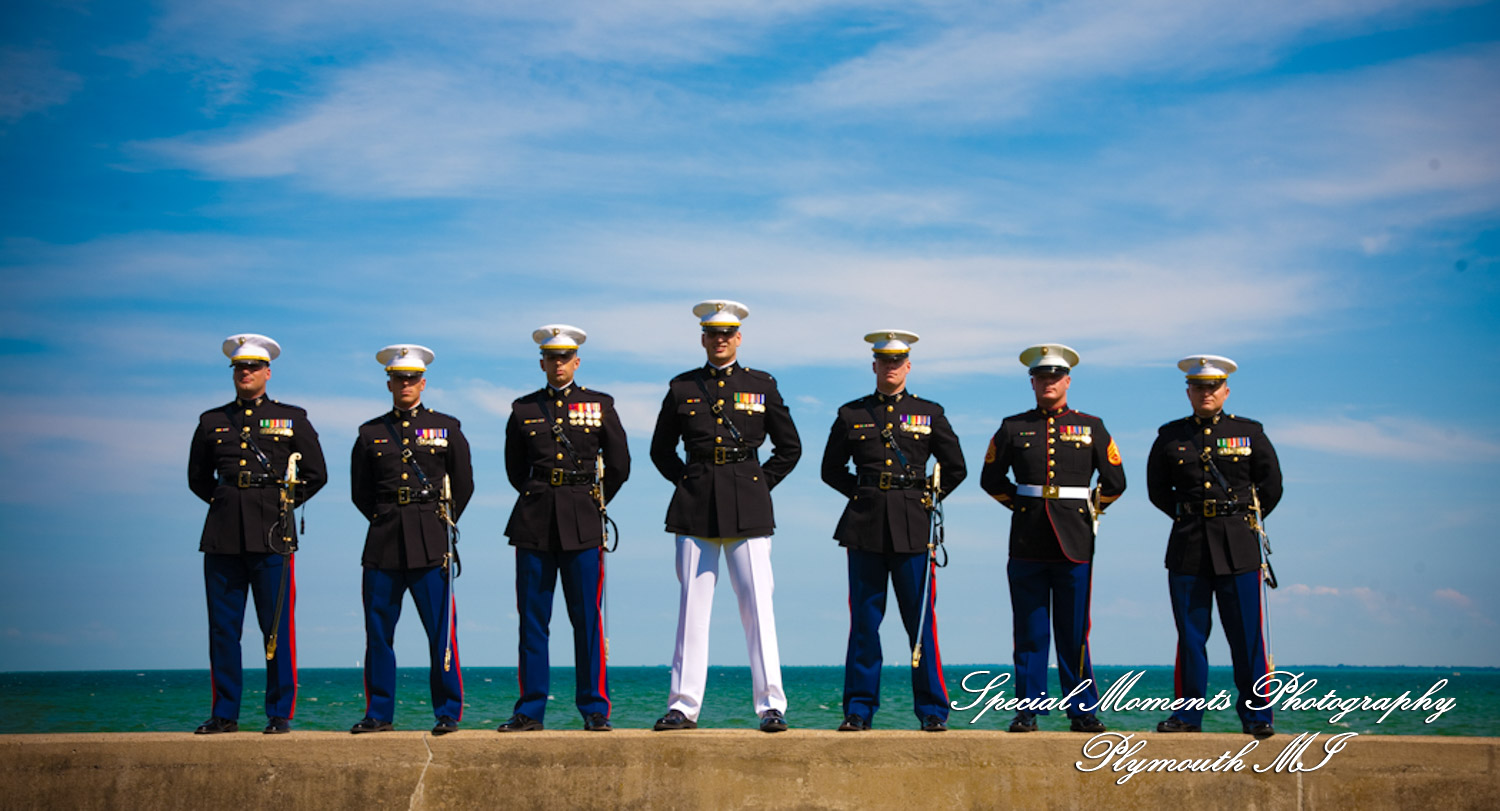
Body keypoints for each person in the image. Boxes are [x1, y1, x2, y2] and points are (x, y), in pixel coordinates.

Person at [649, 299, 801, 733]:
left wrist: (758, 484)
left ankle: (771, 705)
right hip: (695, 504)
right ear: (703, 339)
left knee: (758, 607)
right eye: (713, 334)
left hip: (748, 504)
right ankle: (683, 706)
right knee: (692, 610)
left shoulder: (762, 385)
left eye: (727, 334)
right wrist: (688, 481)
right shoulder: (682, 387)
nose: (720, 340)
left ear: (739, 338)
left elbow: (790, 447)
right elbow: (661, 450)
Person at [820, 330, 966, 732]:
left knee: (920, 625)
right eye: (884, 361)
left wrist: (925, 499)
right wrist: (864, 494)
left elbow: (956, 468)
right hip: (864, 526)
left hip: (913, 527)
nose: (891, 367)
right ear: (874, 366)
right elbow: (830, 470)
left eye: (897, 361)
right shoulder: (851, 413)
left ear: (908, 366)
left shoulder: (929, 413)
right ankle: (858, 710)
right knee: (864, 625)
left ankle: (933, 711)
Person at [980, 343, 1124, 733]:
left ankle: (1082, 710)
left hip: (1075, 541)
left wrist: (1089, 512)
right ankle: (1027, 710)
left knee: (1074, 632)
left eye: (1055, 377)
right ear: (1032, 382)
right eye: (1042, 377)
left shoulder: (1091, 426)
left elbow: (1115, 481)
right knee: (1030, 632)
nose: (1049, 383)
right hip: (1027, 541)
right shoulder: (1012, 427)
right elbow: (990, 479)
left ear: (1068, 381)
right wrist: (1021, 507)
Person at [188, 333, 327, 734]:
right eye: (239, 367)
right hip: (223, 534)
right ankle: (224, 713)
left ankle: (279, 712)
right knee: (223, 629)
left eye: (252, 367)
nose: (245, 373)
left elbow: (316, 474)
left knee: (276, 627)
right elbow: (198, 478)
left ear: (267, 372)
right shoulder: (211, 421)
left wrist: (280, 505)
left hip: (272, 533)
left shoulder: (292, 418)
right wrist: (229, 501)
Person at [499, 325, 630, 732]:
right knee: (533, 622)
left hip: (583, 521)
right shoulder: (523, 409)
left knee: (587, 620)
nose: (558, 364)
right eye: (551, 357)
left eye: (565, 357)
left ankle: (594, 708)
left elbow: (620, 464)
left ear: (577, 361)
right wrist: (543, 493)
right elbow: (515, 469)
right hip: (534, 522)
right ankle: (530, 710)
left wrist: (590, 500)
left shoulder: (600, 405)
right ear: (542, 363)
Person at [1147, 355, 1283, 738]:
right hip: (1188, 545)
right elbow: (1157, 490)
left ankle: (1257, 716)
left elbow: (1272, 486)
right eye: (1198, 387)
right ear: (1188, 392)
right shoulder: (1170, 436)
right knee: (1191, 637)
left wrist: (1239, 519)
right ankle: (1187, 716)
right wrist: (1190, 514)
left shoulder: (1250, 433)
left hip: (1238, 546)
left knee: (1247, 637)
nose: (1205, 393)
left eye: (1213, 387)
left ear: (1225, 391)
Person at [348, 344, 474, 735]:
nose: (405, 384)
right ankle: (379, 713)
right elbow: (360, 492)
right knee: (378, 633)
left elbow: (464, 485)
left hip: (431, 540)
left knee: (441, 632)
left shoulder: (446, 427)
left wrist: (437, 523)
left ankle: (447, 712)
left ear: (423, 383)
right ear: (389, 383)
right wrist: (388, 516)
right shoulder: (369, 433)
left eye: (412, 378)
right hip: (383, 541)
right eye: (398, 378)